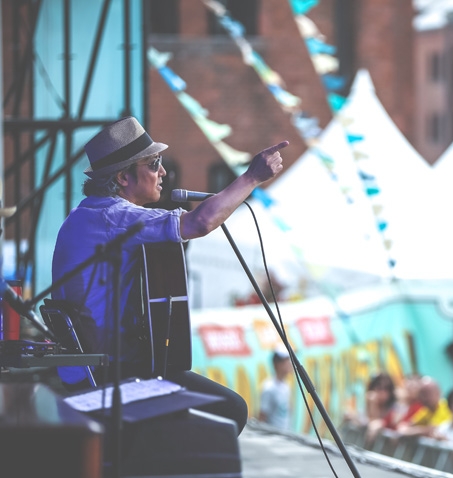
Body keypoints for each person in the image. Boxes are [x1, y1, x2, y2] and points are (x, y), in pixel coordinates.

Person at [51, 116, 288, 435]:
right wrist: (251, 177)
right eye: (153, 164)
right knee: (231, 409)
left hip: (87, 369)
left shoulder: (84, 215)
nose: (162, 172)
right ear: (123, 177)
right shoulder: (113, 216)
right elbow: (199, 223)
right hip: (112, 372)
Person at [258, 349, 293, 429]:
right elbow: (262, 417)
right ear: (277, 364)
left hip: (285, 434)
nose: (290, 363)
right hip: (273, 435)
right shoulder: (268, 388)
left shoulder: (286, 385)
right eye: (286, 361)